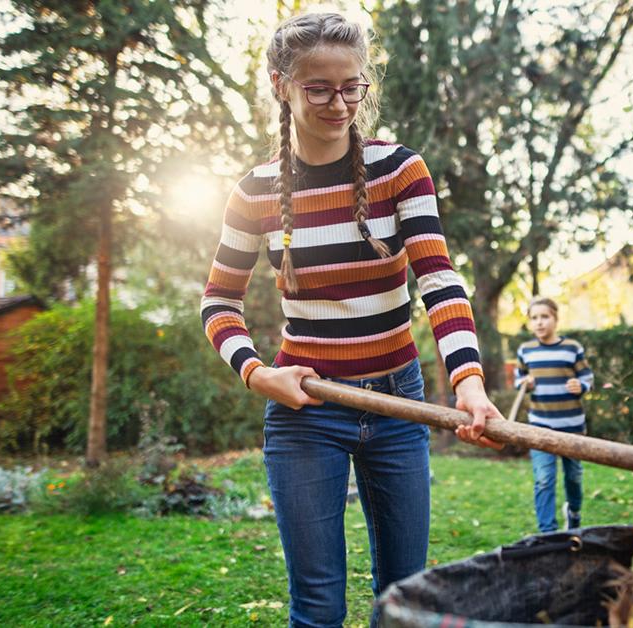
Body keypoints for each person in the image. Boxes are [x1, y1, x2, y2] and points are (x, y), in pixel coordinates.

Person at [199, 9, 502, 627]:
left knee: (406, 600)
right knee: (316, 606)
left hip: (399, 403)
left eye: (351, 86)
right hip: (306, 411)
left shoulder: (400, 171)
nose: (340, 104)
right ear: (283, 86)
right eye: (319, 88)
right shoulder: (254, 191)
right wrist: (258, 374)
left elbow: (438, 280)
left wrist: (468, 382)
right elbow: (218, 302)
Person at [514, 296, 594, 533]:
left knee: (574, 477)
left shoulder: (572, 348)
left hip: (572, 426)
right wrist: (524, 383)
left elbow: (587, 376)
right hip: (539, 426)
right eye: (534, 318)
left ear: (555, 319)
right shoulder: (525, 350)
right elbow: (519, 379)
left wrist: (581, 386)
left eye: (545, 317)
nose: (539, 323)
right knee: (544, 479)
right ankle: (548, 533)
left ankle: (574, 513)